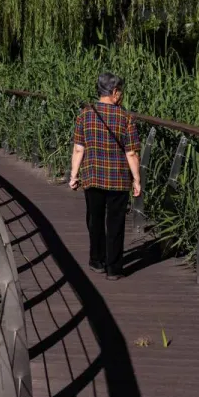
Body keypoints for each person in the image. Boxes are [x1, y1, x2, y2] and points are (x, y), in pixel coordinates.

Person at [68, 71, 143, 280]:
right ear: (115, 92)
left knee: (95, 218)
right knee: (116, 222)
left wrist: (74, 175)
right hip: (118, 179)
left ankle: (97, 259)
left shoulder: (85, 114)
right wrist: (136, 179)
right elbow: (131, 152)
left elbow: (78, 148)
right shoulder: (126, 118)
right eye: (121, 92)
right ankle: (114, 268)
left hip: (92, 176)